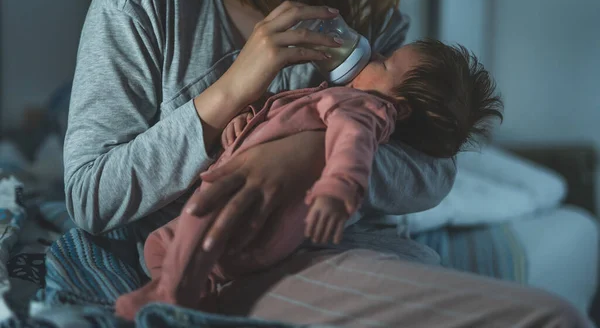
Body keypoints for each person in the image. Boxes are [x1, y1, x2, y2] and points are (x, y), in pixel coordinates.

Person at [64, 0, 591, 326]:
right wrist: (228, 94)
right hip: (233, 264)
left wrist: (312, 150)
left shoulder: (366, 14)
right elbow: (90, 197)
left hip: (356, 245)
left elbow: (435, 171)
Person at [114, 38, 504, 320]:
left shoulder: (367, 108)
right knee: (160, 245)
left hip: (260, 215)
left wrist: (339, 188)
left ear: (398, 108)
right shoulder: (346, 97)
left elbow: (352, 145)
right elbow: (280, 117)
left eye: (383, 62)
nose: (371, 56)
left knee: (199, 218)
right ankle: (193, 294)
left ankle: (173, 299)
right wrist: (243, 121)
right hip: (240, 204)